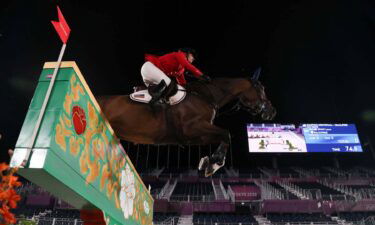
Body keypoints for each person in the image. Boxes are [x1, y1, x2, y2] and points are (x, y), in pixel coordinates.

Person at [141, 48, 211, 105]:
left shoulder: (181, 68)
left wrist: (189, 91)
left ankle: (149, 104)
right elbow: (188, 66)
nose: (193, 59)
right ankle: (153, 102)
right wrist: (202, 75)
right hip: (149, 68)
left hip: (150, 77)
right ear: (188, 53)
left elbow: (182, 83)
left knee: (160, 92)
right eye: (193, 56)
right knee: (169, 83)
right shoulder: (180, 55)